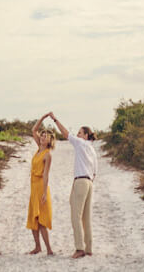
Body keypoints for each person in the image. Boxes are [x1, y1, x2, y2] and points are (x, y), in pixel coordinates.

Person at [48, 111, 97, 258]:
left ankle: (79, 248)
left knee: (76, 216)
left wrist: (55, 120)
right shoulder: (92, 150)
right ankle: (88, 249)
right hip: (89, 183)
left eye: (80, 133)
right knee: (86, 218)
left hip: (81, 181)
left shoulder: (81, 144)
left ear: (86, 135)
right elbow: (95, 172)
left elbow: (65, 133)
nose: (78, 135)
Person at [25, 113, 55, 255]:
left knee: (42, 219)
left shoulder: (47, 154)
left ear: (50, 141)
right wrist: (43, 118)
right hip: (33, 187)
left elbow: (46, 174)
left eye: (45, 136)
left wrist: (44, 192)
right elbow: (33, 130)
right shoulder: (39, 148)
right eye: (42, 135)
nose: (42, 137)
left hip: (41, 187)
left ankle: (49, 249)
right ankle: (38, 247)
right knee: (33, 218)